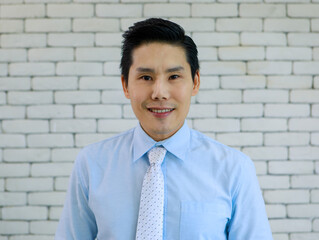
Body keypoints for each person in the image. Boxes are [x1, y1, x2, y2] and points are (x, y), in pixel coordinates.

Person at [55, 18, 273, 240]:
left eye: (174, 77)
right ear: (125, 85)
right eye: (146, 77)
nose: (159, 92)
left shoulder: (234, 169)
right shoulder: (91, 164)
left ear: (195, 82)